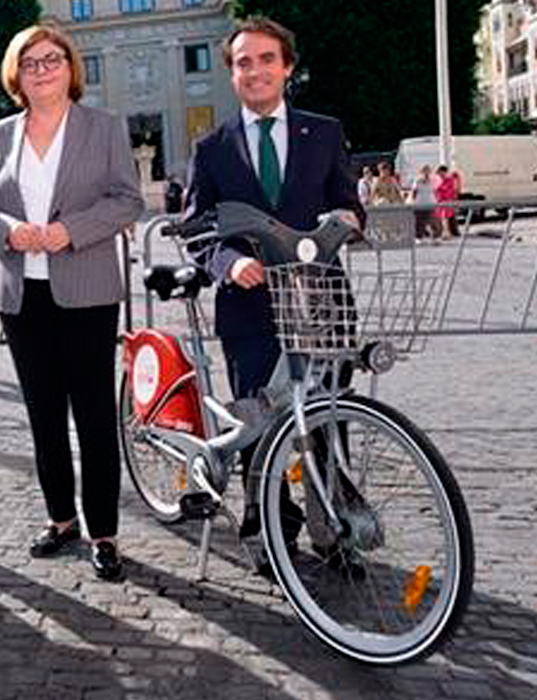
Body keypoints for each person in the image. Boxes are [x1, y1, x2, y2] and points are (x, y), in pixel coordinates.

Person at [0, 25, 144, 581]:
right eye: (30, 63)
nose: (42, 70)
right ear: (15, 75)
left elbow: (128, 201)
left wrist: (71, 230)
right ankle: (61, 519)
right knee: (43, 414)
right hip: (21, 294)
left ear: (70, 67)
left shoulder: (103, 128)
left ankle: (104, 532)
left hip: (85, 289)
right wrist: (8, 233)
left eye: (52, 60)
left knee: (92, 415)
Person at [181, 16, 364, 567]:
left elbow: (349, 203)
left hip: (321, 301)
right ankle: (269, 531)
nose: (255, 71)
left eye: (266, 60)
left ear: (287, 67)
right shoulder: (211, 147)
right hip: (249, 308)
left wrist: (349, 219)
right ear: (232, 75)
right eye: (243, 63)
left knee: (326, 419)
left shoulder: (324, 131)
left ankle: (334, 530)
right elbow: (195, 227)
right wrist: (228, 261)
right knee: (259, 425)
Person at [409, 164, 441, 241]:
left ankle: (436, 237)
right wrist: (413, 201)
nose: (426, 173)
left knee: (434, 221)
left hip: (431, 203)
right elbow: (414, 192)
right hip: (419, 203)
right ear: (421, 172)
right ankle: (419, 237)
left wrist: (436, 200)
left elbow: (436, 189)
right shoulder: (417, 181)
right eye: (424, 171)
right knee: (419, 222)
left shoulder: (433, 180)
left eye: (428, 171)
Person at [434, 165, 461, 239]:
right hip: (441, 201)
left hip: (447, 201)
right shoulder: (440, 180)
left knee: (445, 218)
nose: (440, 175)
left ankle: (446, 233)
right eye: (439, 173)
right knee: (444, 218)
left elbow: (447, 189)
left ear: (444, 172)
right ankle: (446, 233)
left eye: (441, 173)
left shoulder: (449, 180)